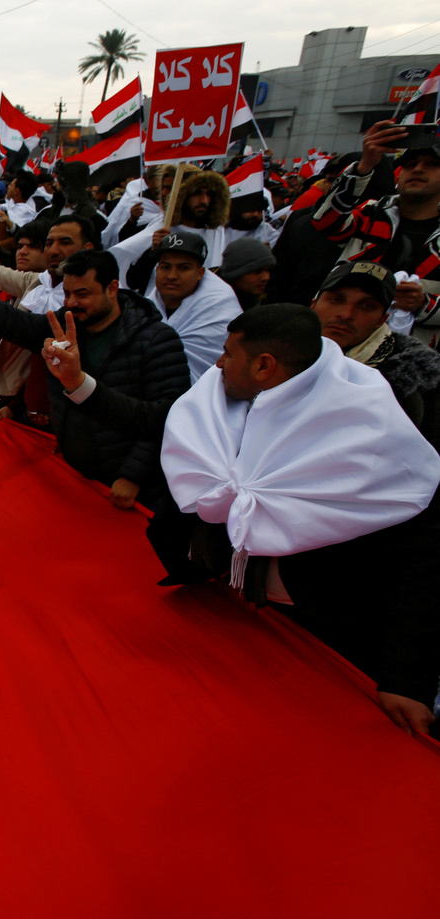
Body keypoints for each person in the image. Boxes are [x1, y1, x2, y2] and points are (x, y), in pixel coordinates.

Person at [160, 304, 440, 736]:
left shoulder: (372, 432)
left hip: (328, 635)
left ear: (264, 366)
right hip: (234, 612)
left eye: (227, 353)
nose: (218, 364)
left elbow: (421, 565)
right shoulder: (224, 407)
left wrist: (406, 681)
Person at [0, 249, 191, 509]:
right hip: (75, 475)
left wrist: (133, 476)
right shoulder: (64, 328)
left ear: (112, 289)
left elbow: (164, 418)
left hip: (128, 489)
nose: (72, 302)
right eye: (67, 294)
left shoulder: (158, 341)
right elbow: (12, 322)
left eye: (83, 294)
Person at [312, 123, 440, 345]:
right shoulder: (372, 213)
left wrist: (423, 303)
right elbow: (325, 222)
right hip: (343, 343)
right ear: (398, 177)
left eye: (432, 164)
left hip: (418, 358)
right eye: (411, 164)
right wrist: (365, 165)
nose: (418, 169)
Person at [310, 260, 440, 448]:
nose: (346, 314)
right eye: (336, 300)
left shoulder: (416, 382)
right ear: (314, 304)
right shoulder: (274, 351)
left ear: (382, 319)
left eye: (367, 306)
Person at [139, 231, 243, 382]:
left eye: (183, 268)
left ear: (200, 273)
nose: (172, 275)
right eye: (165, 267)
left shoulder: (219, 308)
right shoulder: (143, 309)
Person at [217, 237, 275, 311]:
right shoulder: (213, 305)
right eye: (257, 271)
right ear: (235, 273)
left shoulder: (259, 301)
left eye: (268, 270)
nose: (266, 277)